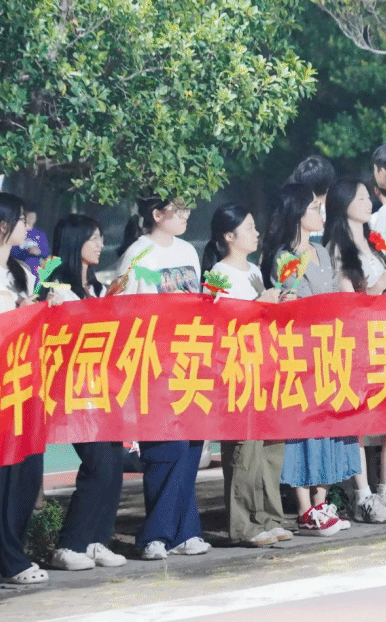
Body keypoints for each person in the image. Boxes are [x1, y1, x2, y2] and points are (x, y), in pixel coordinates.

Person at [261, 183, 361, 536]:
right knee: (303, 428)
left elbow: (332, 293)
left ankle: (322, 502)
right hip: (301, 353)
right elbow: (294, 302)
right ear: (297, 213)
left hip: (331, 349)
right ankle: (304, 507)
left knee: (329, 426)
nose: (321, 214)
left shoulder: (320, 250)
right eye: (315, 208)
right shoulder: (284, 256)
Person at [114, 195, 211, 559]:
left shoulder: (188, 251)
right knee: (165, 449)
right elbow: (122, 310)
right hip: (154, 363)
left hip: (190, 359)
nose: (185, 215)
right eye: (177, 209)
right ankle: (154, 535)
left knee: (190, 449)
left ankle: (186, 532)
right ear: (157, 214)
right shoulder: (138, 254)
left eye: (187, 209)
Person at [37, 215, 128, 570]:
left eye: (101, 237)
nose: (101, 245)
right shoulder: (56, 290)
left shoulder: (100, 289)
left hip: (105, 388)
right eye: (93, 238)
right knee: (98, 464)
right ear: (75, 243)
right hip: (75, 393)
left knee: (114, 464)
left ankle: (96, 540)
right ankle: (69, 545)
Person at [201, 203, 292, 547]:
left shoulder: (254, 269)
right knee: (244, 448)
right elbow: (216, 324)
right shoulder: (217, 273)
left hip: (265, 364)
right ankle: (244, 525)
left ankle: (269, 517)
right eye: (249, 227)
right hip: (237, 369)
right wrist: (259, 305)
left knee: (270, 445)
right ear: (229, 235)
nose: (256, 233)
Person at [0, 191, 49, 584]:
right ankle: (8, 558)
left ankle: (10, 551)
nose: (27, 227)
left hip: (26, 382)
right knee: (2, 474)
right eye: (21, 220)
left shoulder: (20, 271)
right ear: (3, 226)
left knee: (28, 471)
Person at [323, 179, 386, 524]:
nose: (367, 201)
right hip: (358, 341)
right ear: (343, 203)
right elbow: (346, 302)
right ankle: (363, 495)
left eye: (366, 196)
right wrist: (380, 286)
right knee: (358, 419)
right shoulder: (337, 248)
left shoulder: (376, 242)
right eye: (359, 197)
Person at [10, 207, 49, 277]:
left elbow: (46, 253)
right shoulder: (18, 231)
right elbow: (11, 250)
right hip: (17, 269)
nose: (31, 219)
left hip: (35, 272)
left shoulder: (40, 234)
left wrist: (38, 252)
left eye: (33, 217)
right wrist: (25, 251)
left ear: (36, 218)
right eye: (29, 217)